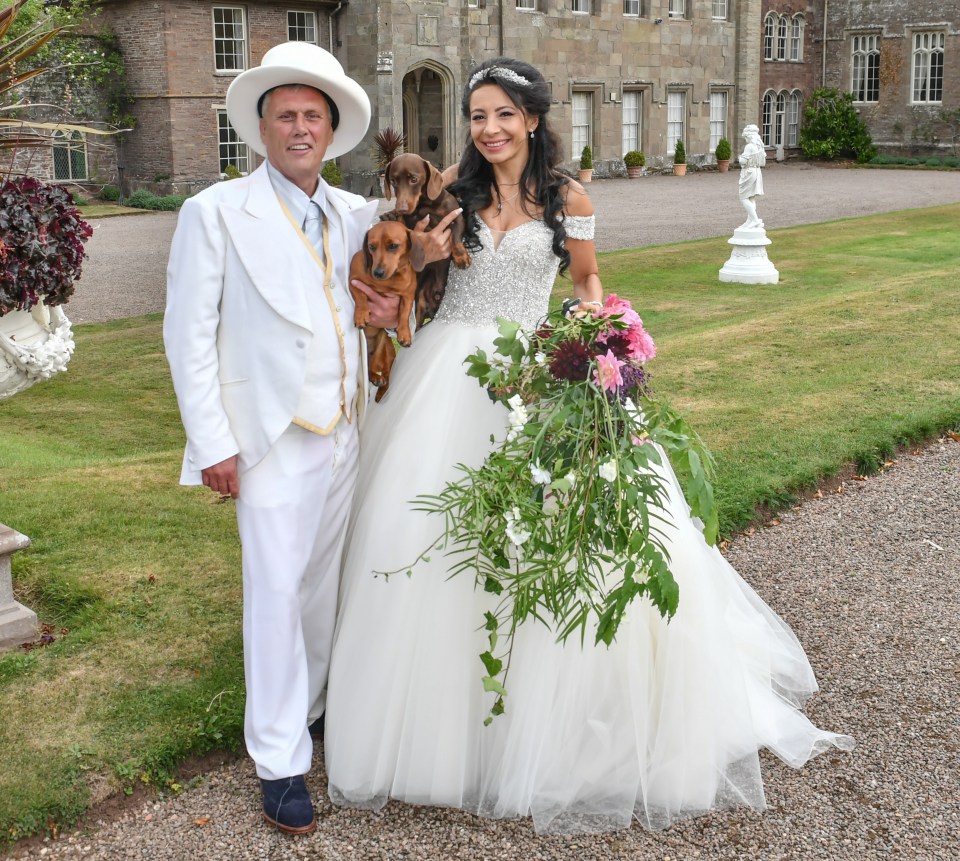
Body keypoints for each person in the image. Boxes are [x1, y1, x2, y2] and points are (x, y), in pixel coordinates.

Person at [324, 57, 853, 834]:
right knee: (424, 533)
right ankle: (434, 723)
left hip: (533, 374)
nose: (489, 129)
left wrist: (598, 339)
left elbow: (585, 282)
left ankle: (542, 725)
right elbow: (403, 271)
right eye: (477, 115)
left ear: (533, 120)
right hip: (444, 373)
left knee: (555, 543)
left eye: (504, 114)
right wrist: (425, 261)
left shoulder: (568, 196)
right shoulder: (452, 195)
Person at [163, 42, 455, 835]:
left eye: (312, 117)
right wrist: (212, 442)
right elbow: (186, 335)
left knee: (323, 591)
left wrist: (390, 313)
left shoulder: (352, 213)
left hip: (344, 429)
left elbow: (386, 295)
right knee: (275, 595)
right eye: (285, 115)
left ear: (331, 131)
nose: (299, 128)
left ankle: (315, 710)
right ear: (262, 128)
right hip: (268, 438)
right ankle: (279, 757)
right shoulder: (215, 212)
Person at [738, 123, 767, 229]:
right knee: (751, 197)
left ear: (749, 136)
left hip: (749, 172)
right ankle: (750, 220)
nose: (745, 139)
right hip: (756, 171)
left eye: (745, 137)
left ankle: (754, 220)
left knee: (743, 197)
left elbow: (743, 161)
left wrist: (739, 158)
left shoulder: (749, 146)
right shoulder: (759, 146)